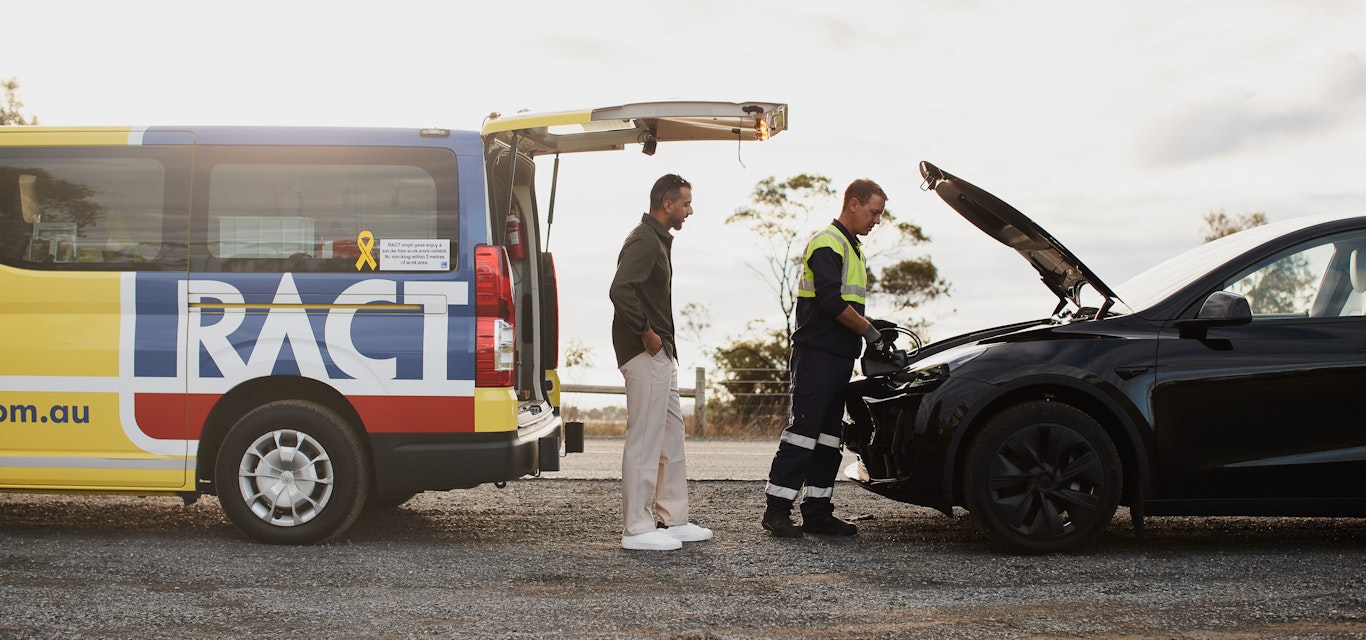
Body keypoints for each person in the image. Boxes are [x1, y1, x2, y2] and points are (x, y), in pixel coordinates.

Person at [762, 178, 890, 538]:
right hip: (817, 357)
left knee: (829, 439)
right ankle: (776, 511)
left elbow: (845, 305)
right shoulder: (827, 242)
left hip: (837, 359)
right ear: (853, 204)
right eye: (873, 212)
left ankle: (818, 512)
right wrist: (868, 330)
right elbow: (831, 302)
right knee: (803, 435)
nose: (876, 220)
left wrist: (868, 328)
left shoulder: (852, 248)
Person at [609, 173, 714, 551]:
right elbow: (620, 290)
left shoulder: (657, 240)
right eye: (685, 203)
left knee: (671, 436)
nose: (689, 210)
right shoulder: (644, 240)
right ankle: (636, 528)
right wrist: (646, 333)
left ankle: (674, 520)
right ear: (666, 204)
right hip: (645, 351)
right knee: (646, 437)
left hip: (661, 351)